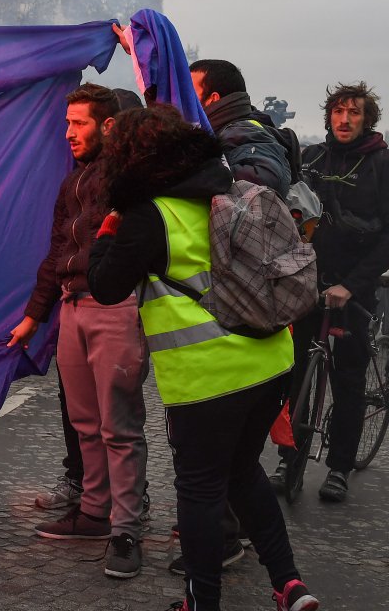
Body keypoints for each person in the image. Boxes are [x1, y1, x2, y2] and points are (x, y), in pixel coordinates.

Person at [87, 105, 318, 611]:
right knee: (242, 472)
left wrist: (106, 232)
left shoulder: (149, 214)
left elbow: (104, 287)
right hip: (271, 360)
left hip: (207, 376)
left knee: (200, 490)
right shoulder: (232, 187)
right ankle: (289, 583)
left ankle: (202, 601)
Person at [10, 84, 149, 579]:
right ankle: (94, 513)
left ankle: (126, 529)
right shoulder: (73, 182)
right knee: (86, 423)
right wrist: (33, 316)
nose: (68, 133)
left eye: (79, 123)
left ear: (108, 126)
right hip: (71, 307)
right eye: (66, 123)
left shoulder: (129, 175)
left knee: (119, 425)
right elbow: (55, 253)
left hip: (116, 307)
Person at [272, 82, 389, 503]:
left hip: (353, 289)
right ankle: (290, 457)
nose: (344, 119)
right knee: (295, 376)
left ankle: (339, 467)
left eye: (353, 113)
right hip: (307, 285)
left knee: (348, 381)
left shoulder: (381, 164)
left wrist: (353, 285)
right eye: (338, 112)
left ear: (366, 119)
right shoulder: (314, 159)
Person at [188, 59, 295, 197]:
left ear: (213, 98)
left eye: (190, 91)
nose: (184, 97)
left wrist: (195, 174)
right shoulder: (229, 126)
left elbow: (269, 178)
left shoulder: (238, 130)